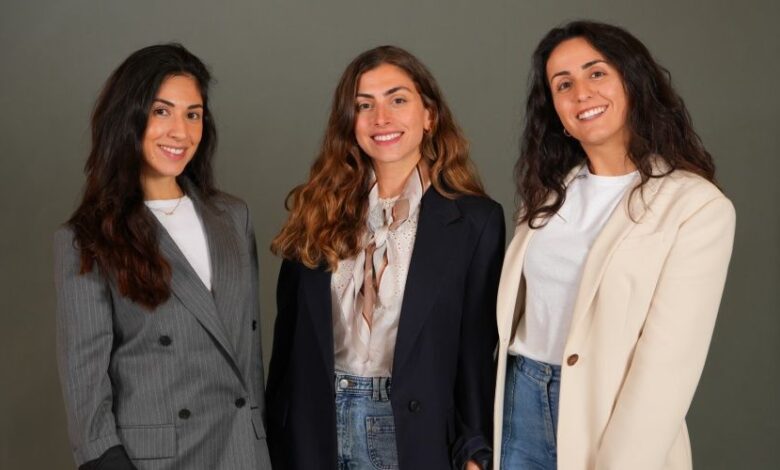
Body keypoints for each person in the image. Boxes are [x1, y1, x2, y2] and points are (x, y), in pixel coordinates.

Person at [494, 21, 736, 470]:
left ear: (633, 82)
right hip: (518, 402)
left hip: (609, 418)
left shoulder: (695, 207)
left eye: (596, 73)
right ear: (555, 110)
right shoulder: (547, 194)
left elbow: (667, 367)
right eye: (563, 84)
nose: (581, 93)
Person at [267, 45, 505, 470]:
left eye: (397, 100)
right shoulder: (316, 209)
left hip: (413, 434)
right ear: (349, 121)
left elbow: (476, 348)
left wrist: (475, 449)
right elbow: (287, 344)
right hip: (315, 428)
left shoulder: (475, 222)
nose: (381, 118)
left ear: (429, 115)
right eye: (364, 105)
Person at [54, 44, 271, 470]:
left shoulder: (233, 217)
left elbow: (249, 355)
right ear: (128, 117)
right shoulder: (87, 238)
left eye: (193, 114)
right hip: (155, 459)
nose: (180, 132)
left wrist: (262, 439)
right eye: (161, 111)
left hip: (243, 451)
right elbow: (84, 378)